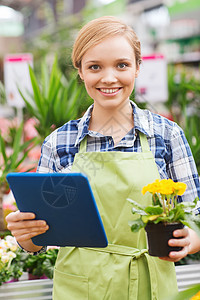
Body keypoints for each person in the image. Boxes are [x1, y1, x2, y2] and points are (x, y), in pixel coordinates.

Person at [6, 16, 200, 299]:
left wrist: (192, 239)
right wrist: (27, 236)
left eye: (121, 65)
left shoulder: (167, 135)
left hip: (149, 284)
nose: (109, 78)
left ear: (137, 68)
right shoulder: (59, 143)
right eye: (95, 66)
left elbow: (195, 214)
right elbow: (41, 238)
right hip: (80, 288)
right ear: (81, 71)